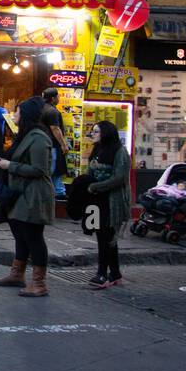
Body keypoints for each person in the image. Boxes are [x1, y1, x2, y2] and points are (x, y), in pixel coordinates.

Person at [0, 96, 55, 297]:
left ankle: (39, 283)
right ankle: (17, 274)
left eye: (17, 111)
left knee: (33, 237)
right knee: (20, 234)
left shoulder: (39, 137)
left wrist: (10, 166)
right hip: (19, 192)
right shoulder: (24, 135)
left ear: (25, 114)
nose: (13, 115)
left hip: (34, 194)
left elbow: (39, 169)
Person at [85, 119, 131, 289]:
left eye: (96, 131)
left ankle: (102, 274)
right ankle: (115, 274)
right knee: (103, 236)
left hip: (112, 200)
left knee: (107, 237)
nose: (93, 134)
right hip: (96, 200)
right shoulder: (97, 149)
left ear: (106, 133)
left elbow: (120, 178)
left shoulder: (120, 152)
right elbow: (90, 170)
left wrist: (96, 186)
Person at [40, 87, 70, 200]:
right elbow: (55, 129)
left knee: (53, 169)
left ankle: (59, 191)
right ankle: (56, 192)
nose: (59, 98)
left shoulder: (40, 109)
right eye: (58, 96)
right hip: (52, 144)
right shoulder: (52, 111)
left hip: (43, 144)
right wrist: (63, 144)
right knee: (52, 169)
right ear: (53, 98)